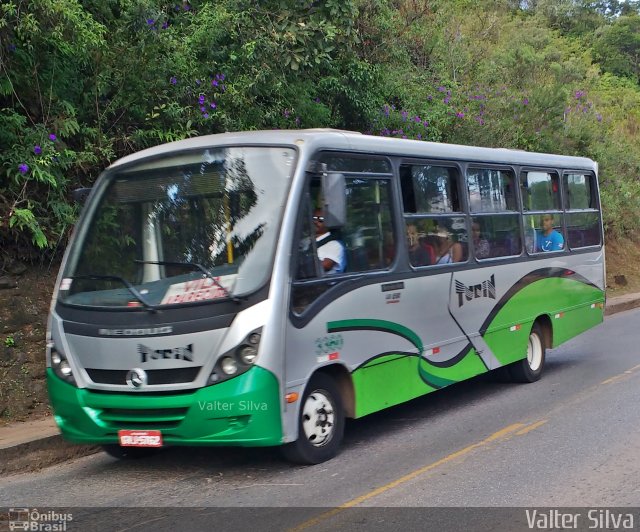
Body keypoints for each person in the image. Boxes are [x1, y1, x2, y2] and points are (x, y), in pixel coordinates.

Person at [313, 208, 346, 274]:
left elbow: (325, 266)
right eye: (314, 218)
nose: (316, 222)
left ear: (329, 223)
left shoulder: (336, 244)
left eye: (320, 219)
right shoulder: (306, 241)